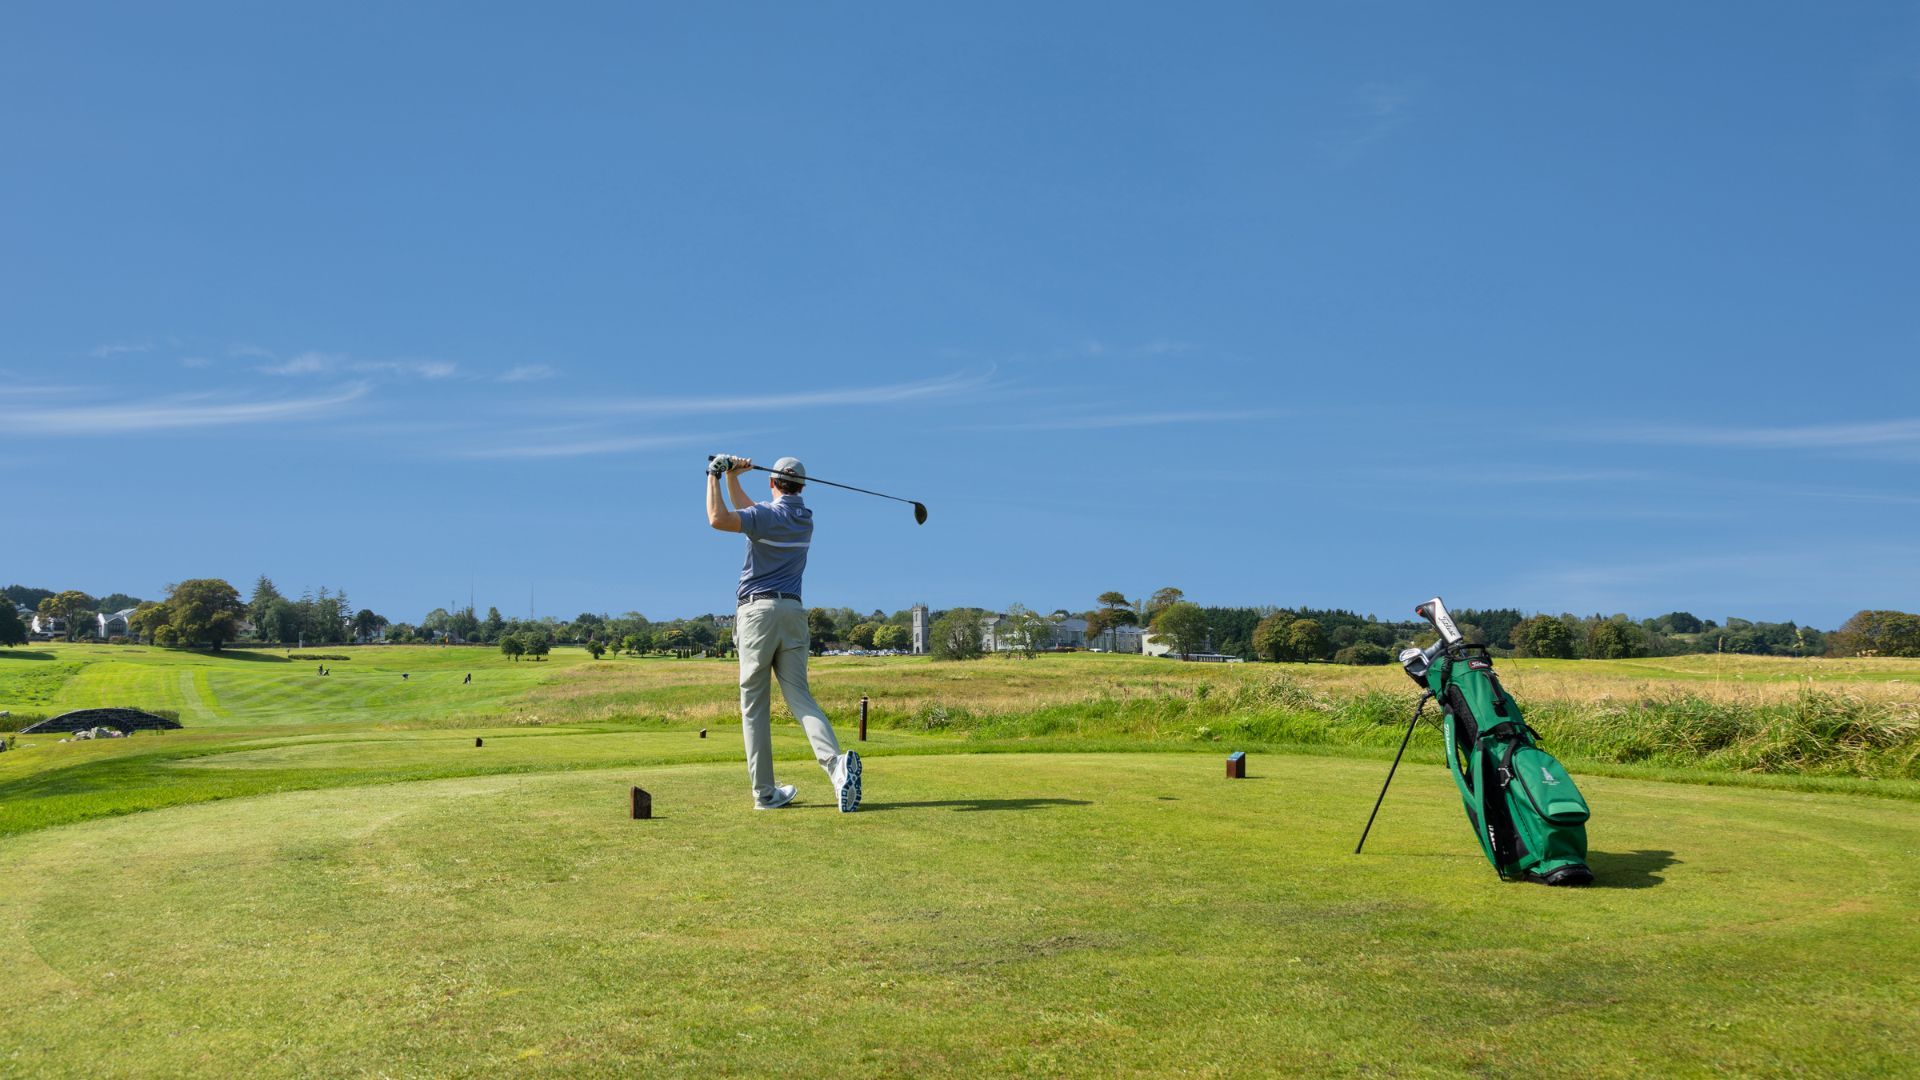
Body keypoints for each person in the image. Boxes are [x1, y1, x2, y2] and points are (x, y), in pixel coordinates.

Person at [706, 454, 861, 812]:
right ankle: (835, 767)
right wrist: (733, 478)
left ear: (772, 483)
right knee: (801, 698)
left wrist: (713, 475)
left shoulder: (766, 516)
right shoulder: (804, 519)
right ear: (802, 486)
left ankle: (764, 794)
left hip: (757, 615)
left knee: (754, 707)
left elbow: (719, 519)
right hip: (793, 613)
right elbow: (752, 514)